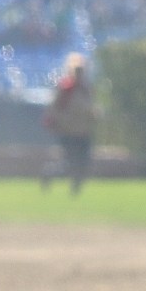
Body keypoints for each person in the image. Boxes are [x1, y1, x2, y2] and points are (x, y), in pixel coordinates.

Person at [42, 53, 97, 195]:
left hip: (84, 131)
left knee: (83, 162)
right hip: (69, 132)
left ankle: (76, 188)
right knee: (68, 163)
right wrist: (62, 122)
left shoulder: (86, 89)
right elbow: (54, 109)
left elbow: (91, 108)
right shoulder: (66, 89)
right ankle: (49, 174)